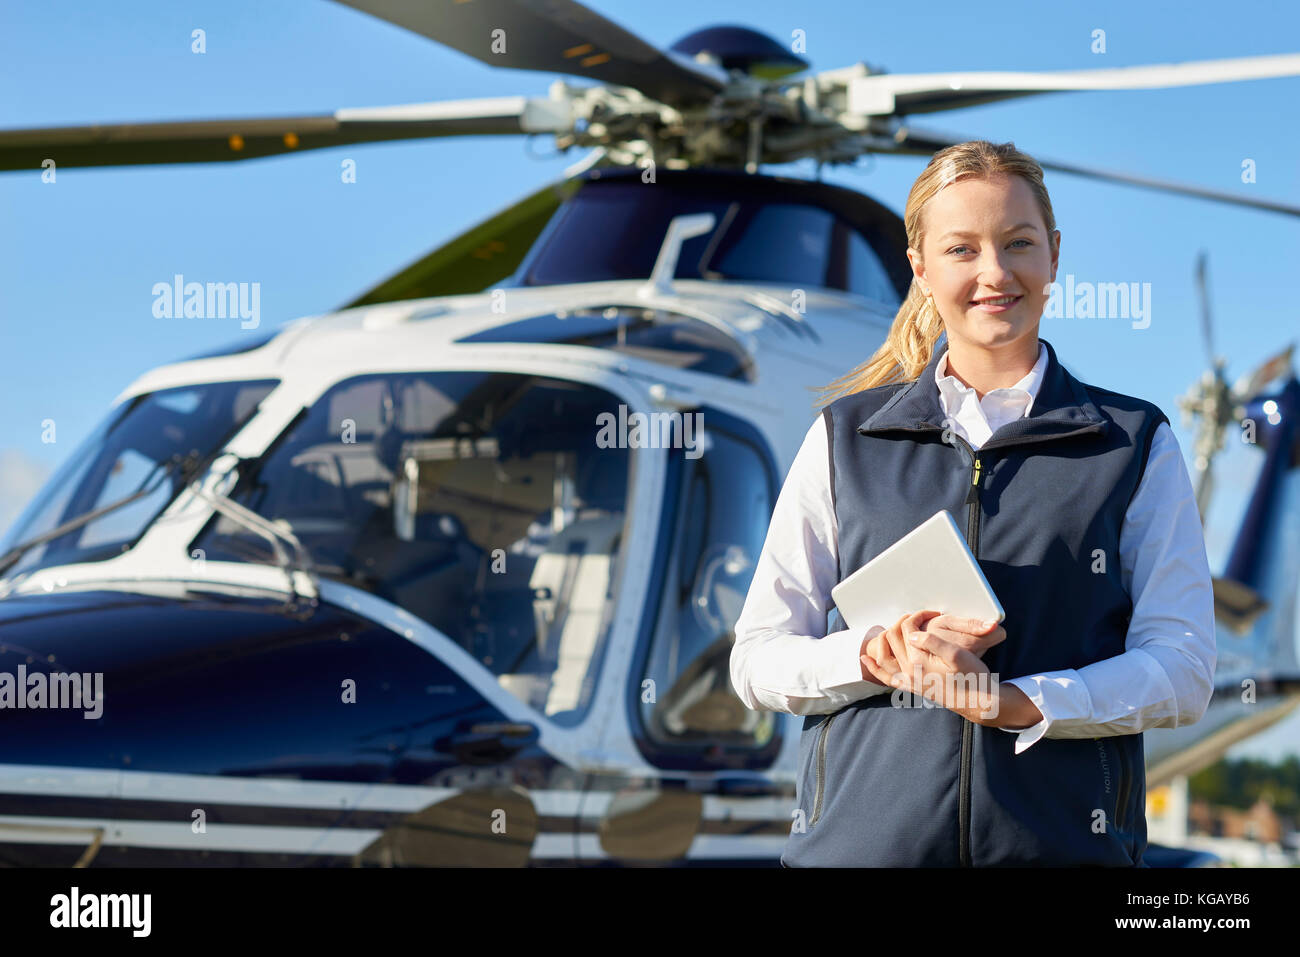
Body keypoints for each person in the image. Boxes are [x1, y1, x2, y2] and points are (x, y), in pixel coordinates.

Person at [729, 140, 1216, 867]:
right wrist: (869, 655)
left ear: (1053, 255)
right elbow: (757, 660)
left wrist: (1019, 704)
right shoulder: (844, 438)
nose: (995, 272)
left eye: (1018, 243)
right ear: (920, 268)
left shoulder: (1135, 442)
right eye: (962, 249)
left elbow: (1183, 669)